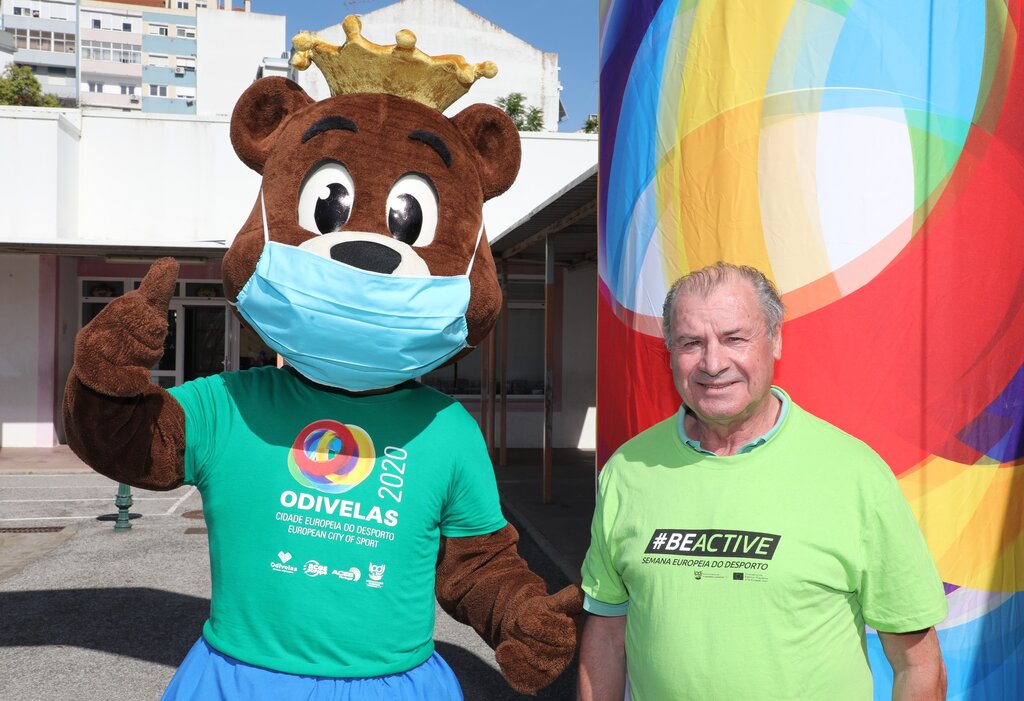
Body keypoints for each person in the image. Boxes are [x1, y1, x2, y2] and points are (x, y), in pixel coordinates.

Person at [577, 262, 947, 700]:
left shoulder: (856, 475)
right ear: (670, 353)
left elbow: (918, 665)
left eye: (734, 338)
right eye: (692, 343)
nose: (713, 363)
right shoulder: (628, 470)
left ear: (775, 340)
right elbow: (607, 635)